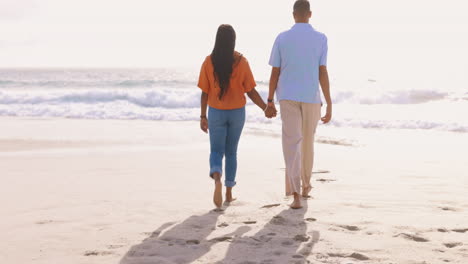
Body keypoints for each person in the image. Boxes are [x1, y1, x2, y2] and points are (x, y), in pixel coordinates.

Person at [198, 24, 277, 209]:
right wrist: (265, 108)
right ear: (233, 40)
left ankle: (217, 176)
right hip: (236, 113)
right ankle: (228, 192)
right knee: (231, 152)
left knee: (216, 151)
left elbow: (204, 92)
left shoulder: (208, 62)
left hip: (216, 112)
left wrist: (203, 116)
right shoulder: (241, 62)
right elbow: (250, 91)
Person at [267, 0, 332, 209]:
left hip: (287, 95)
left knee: (291, 143)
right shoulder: (321, 38)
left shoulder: (282, 38)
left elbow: (275, 72)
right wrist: (329, 102)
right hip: (312, 97)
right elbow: (322, 71)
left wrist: (269, 100)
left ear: (293, 14)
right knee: (307, 144)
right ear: (309, 14)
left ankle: (295, 193)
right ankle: (305, 186)